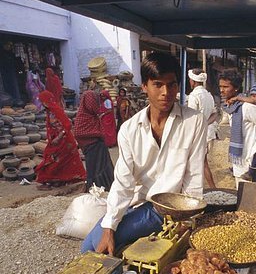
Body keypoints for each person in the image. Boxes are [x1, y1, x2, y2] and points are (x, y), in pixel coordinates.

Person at [82, 51, 207, 256]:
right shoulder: (129, 129)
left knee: (96, 249)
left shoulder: (194, 121)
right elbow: (123, 182)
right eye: (158, 84)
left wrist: (188, 219)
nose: (166, 92)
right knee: (88, 246)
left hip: (167, 209)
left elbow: (194, 175)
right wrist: (109, 226)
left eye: (172, 84)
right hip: (137, 202)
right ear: (144, 87)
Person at [219, 70, 256, 183]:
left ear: (236, 88)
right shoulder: (232, 107)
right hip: (239, 161)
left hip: (251, 163)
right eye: (220, 86)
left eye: (225, 87)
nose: (221, 90)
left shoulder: (248, 107)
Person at [36, 90, 86, 189]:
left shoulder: (56, 110)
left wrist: (59, 137)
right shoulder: (49, 112)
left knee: (57, 160)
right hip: (56, 141)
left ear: (46, 101)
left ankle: (51, 180)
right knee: (55, 160)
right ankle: (58, 180)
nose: (41, 103)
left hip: (64, 140)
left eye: (42, 101)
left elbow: (67, 124)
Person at [74, 90, 114, 191]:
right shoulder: (82, 117)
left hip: (99, 146)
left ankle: (107, 186)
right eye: (93, 102)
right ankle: (94, 188)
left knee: (104, 167)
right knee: (93, 168)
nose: (95, 104)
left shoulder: (94, 116)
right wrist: (97, 134)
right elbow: (78, 133)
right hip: (90, 147)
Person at [187, 68, 217, 188]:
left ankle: (212, 189)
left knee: (201, 164)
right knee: (202, 163)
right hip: (208, 133)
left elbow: (192, 118)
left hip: (198, 134)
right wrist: (205, 123)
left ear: (193, 81)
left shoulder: (194, 96)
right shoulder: (209, 95)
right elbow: (215, 115)